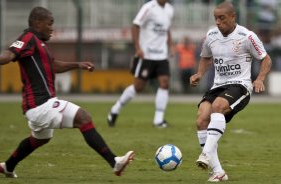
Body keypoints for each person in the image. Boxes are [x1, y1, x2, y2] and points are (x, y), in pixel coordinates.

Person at [0, 7, 134, 178]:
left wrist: (77, 64)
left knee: (41, 138)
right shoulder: (27, 38)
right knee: (83, 118)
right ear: (38, 23)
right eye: (50, 23)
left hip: (38, 105)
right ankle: (114, 162)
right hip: (40, 104)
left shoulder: (40, 44)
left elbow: (53, 66)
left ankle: (7, 167)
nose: (52, 28)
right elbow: (8, 55)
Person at [190, 2, 271, 182]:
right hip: (218, 85)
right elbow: (205, 57)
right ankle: (218, 172)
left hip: (240, 85)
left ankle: (205, 154)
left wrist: (259, 79)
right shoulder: (211, 35)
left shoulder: (247, 36)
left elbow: (266, 59)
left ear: (233, 17)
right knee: (202, 118)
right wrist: (199, 73)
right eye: (216, 18)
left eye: (222, 18)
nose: (218, 22)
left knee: (218, 107)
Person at [107, 0, 174, 128]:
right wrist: (138, 48)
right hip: (147, 55)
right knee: (138, 86)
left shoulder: (170, 9)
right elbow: (135, 25)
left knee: (164, 83)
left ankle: (158, 120)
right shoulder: (148, 7)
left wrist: (171, 45)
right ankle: (115, 109)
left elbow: (167, 29)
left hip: (162, 55)